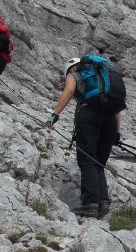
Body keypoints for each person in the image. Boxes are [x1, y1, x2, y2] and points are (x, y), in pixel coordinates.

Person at [47, 56, 123, 218]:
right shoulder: (104, 81)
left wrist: (55, 114)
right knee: (99, 163)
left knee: (87, 159)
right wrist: (116, 132)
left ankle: (90, 204)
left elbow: (69, 90)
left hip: (89, 115)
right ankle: (103, 202)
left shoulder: (75, 74)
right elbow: (116, 110)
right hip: (110, 119)